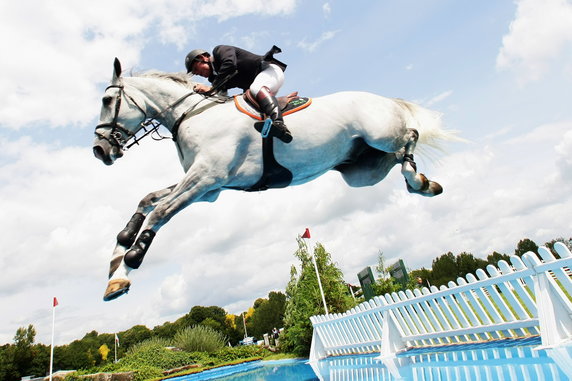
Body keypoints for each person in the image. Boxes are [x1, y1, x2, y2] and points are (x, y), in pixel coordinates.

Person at [185, 45, 292, 143]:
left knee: (256, 88)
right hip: (258, 86)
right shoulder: (214, 78)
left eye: (195, 69)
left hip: (269, 71)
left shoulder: (219, 51)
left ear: (203, 57)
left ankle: (279, 124)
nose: (197, 73)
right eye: (195, 73)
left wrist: (212, 88)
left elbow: (230, 64)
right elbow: (222, 97)